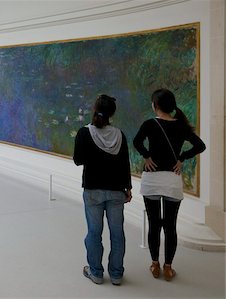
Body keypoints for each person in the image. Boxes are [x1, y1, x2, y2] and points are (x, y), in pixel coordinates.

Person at [133, 88, 206, 281]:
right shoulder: (181, 126)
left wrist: (147, 156)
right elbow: (200, 146)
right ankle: (168, 268)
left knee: (154, 224)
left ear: (155, 106)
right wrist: (182, 158)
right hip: (172, 181)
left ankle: (154, 264)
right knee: (170, 226)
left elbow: (136, 141)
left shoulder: (150, 124)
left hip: (152, 181)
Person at [73, 94, 132, 286]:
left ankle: (96, 272)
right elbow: (125, 164)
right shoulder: (120, 135)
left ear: (94, 110)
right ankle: (116, 275)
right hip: (116, 191)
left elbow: (78, 160)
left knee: (94, 232)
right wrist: (128, 188)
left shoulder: (84, 133)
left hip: (93, 191)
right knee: (117, 234)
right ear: (112, 114)